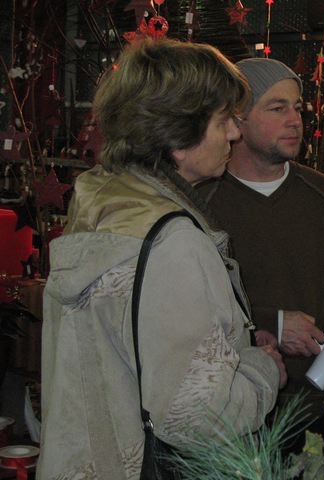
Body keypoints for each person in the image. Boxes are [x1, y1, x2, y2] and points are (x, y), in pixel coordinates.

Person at [37, 38, 285, 479]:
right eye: (223, 120)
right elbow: (199, 419)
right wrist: (263, 370)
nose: (234, 133)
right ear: (178, 136)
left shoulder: (102, 202)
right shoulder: (173, 241)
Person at [197, 57, 324, 442]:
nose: (295, 121)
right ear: (237, 120)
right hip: (226, 415)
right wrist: (269, 323)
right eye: (277, 108)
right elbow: (185, 311)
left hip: (313, 416)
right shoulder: (202, 201)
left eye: (298, 108)